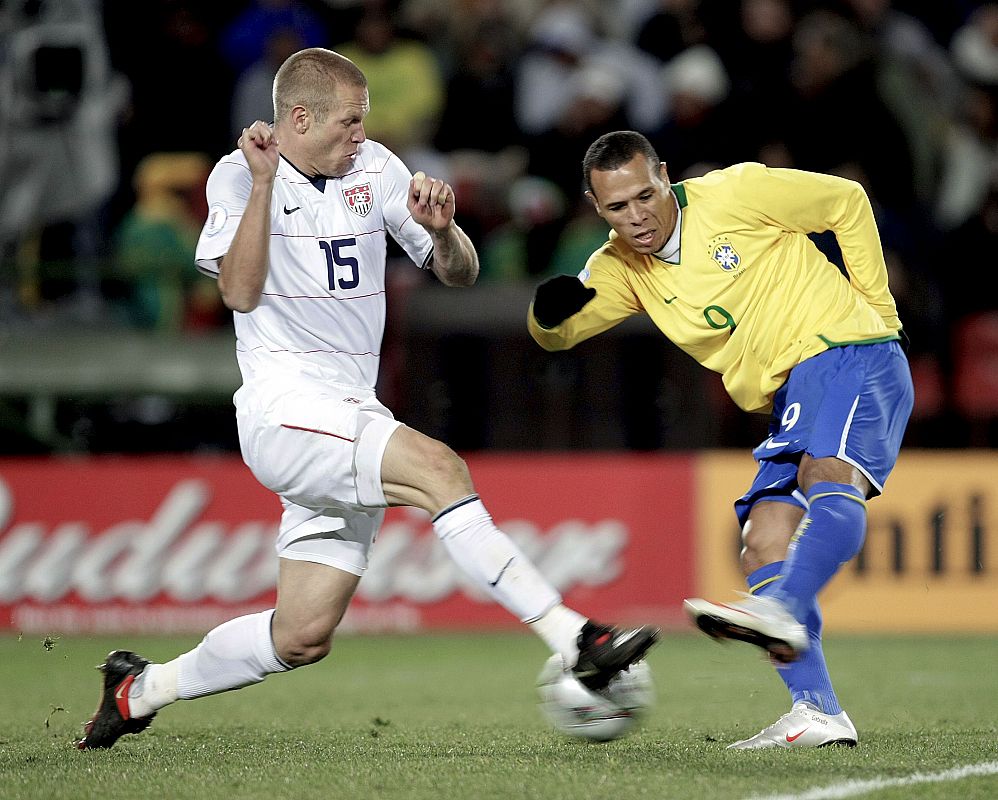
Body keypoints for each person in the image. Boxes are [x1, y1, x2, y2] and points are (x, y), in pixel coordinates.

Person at [76, 50, 658, 750]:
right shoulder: (238, 174)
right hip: (286, 408)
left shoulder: (374, 167)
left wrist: (443, 230)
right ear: (299, 119)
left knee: (301, 635)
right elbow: (238, 291)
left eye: (364, 121)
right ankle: (576, 637)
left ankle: (140, 689)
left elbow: (460, 273)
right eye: (349, 122)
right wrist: (262, 185)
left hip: (350, 411)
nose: (361, 135)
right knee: (440, 470)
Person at [527, 130, 912, 749]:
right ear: (597, 208)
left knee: (826, 477)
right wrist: (547, 316)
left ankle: (783, 608)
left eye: (645, 195)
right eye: (618, 207)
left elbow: (847, 200)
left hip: (847, 350)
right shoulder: (621, 268)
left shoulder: (735, 193)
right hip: (792, 393)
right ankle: (817, 712)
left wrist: (879, 307)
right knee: (761, 543)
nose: (637, 216)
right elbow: (560, 333)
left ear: (664, 176)